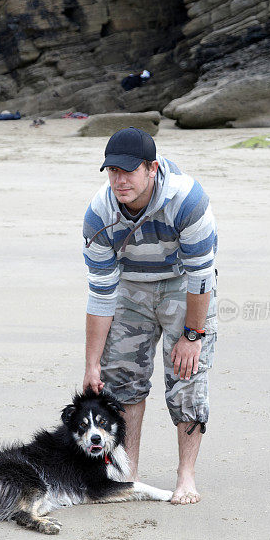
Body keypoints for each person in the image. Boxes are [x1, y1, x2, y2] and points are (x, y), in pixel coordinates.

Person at [82, 127, 217, 504]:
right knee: (120, 383)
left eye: (128, 171)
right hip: (130, 290)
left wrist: (193, 336)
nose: (119, 181)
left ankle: (185, 476)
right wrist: (92, 364)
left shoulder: (188, 200)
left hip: (183, 287)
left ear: (152, 168)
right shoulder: (99, 213)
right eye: (112, 171)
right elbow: (100, 293)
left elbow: (202, 277)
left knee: (186, 381)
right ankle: (128, 475)